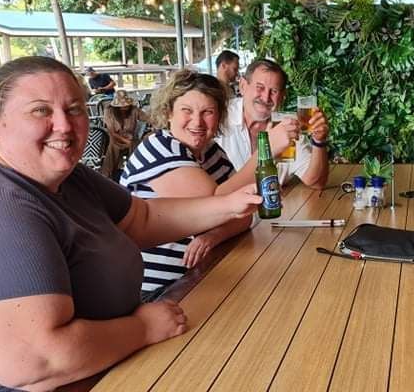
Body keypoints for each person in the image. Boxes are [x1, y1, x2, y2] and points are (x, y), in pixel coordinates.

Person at [0, 56, 261, 391]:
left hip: (109, 368)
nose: (64, 125)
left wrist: (230, 206)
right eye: (40, 110)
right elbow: (41, 361)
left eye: (74, 109)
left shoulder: (59, 175)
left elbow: (142, 218)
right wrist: (143, 328)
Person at [120, 70, 254, 298]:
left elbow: (243, 214)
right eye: (187, 110)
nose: (197, 121)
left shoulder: (212, 151)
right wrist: (266, 153)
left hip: (201, 274)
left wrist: (213, 237)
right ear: (169, 112)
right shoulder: (159, 148)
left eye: (208, 112)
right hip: (153, 292)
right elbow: (219, 202)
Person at [216, 59, 329, 189]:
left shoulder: (286, 126)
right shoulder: (220, 117)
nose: (265, 97)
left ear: (282, 97)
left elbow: (316, 181)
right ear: (243, 86)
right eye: (260, 88)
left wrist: (319, 141)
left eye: (274, 91)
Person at [101, 90, 149, 180]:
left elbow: (148, 118)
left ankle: (135, 173)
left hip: (130, 138)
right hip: (115, 138)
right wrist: (126, 141)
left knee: (136, 144)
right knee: (114, 146)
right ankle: (106, 176)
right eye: (122, 106)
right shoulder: (109, 111)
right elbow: (111, 132)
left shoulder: (134, 109)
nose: (125, 107)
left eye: (126, 105)